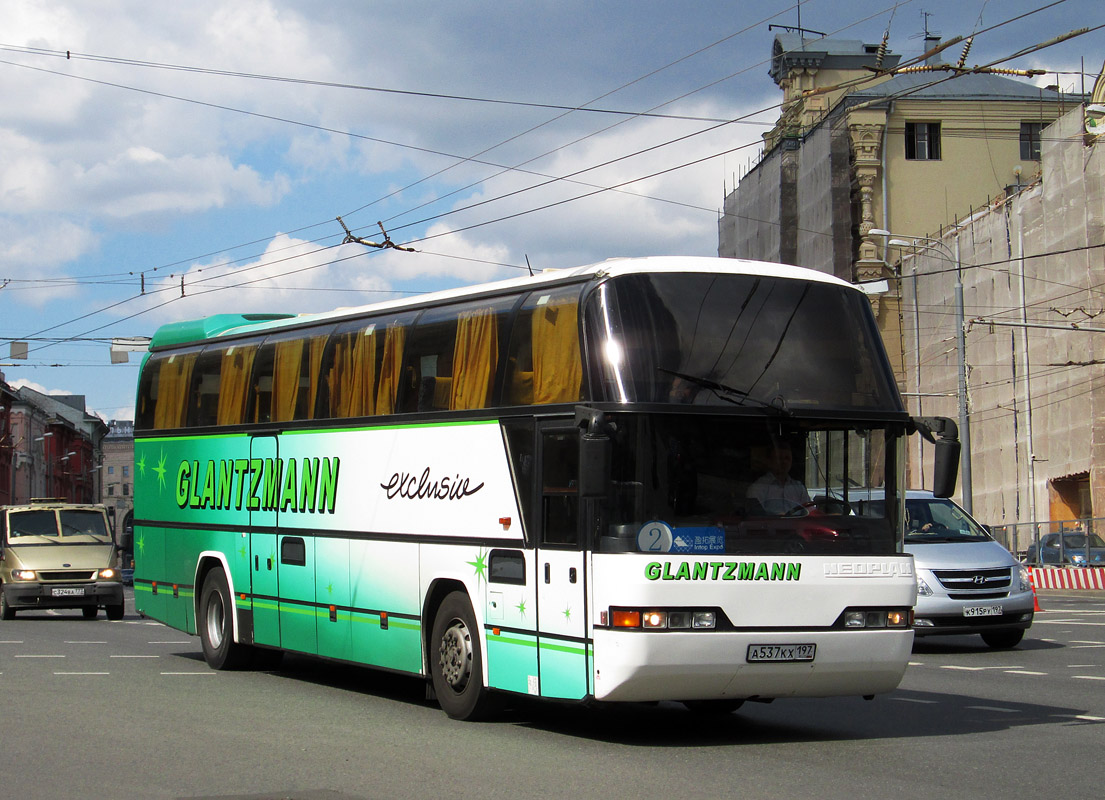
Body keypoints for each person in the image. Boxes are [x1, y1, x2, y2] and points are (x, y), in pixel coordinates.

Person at [747, 442, 810, 514]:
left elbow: (810, 512)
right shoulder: (758, 487)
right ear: (769, 461)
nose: (784, 462)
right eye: (779, 458)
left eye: (787, 458)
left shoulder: (799, 488)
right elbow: (754, 517)